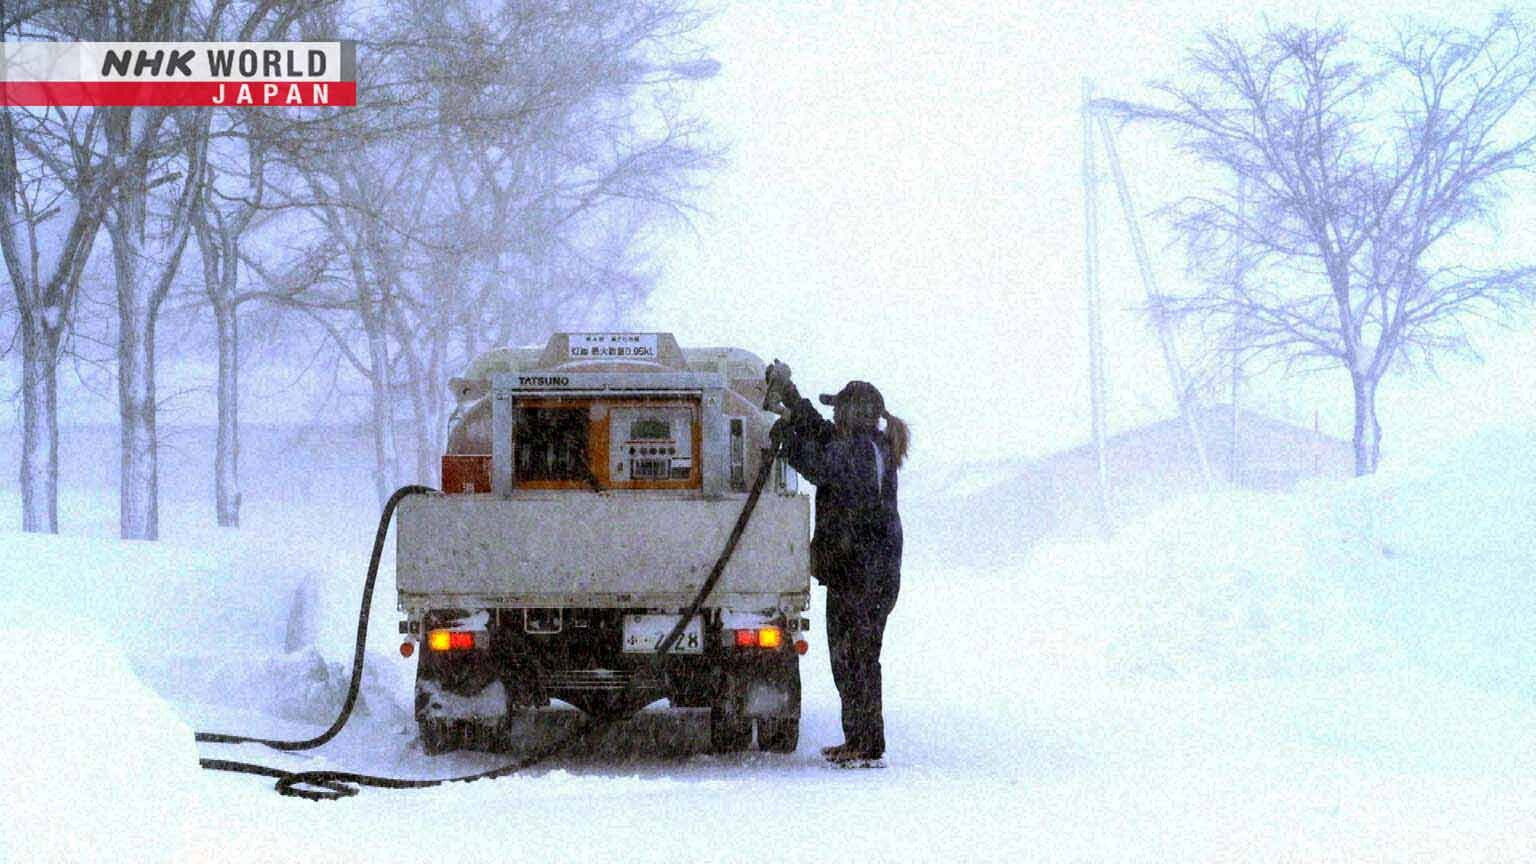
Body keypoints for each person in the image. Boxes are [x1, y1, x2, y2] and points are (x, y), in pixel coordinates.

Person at [764, 361, 909, 764]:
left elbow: (819, 463)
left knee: (855, 660)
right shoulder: (870, 446)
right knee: (857, 658)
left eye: (837, 410)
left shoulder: (859, 451)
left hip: (860, 575)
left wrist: (786, 436)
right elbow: (823, 438)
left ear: (851, 414)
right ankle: (862, 738)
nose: (832, 417)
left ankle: (865, 742)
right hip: (866, 573)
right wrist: (793, 399)